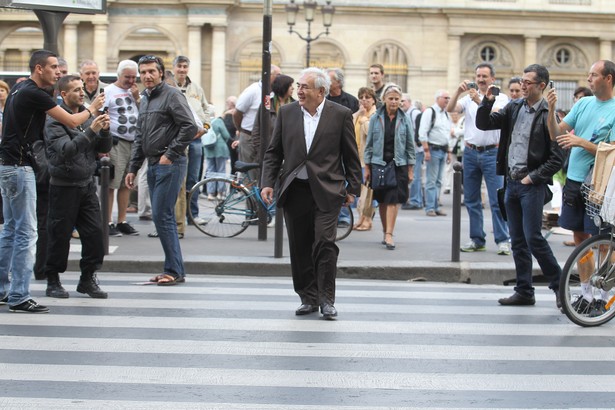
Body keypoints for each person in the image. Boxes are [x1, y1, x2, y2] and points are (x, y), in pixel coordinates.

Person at [0, 49, 103, 313]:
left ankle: (3, 289)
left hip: (9, 166)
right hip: (20, 168)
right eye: (54, 67)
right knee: (26, 233)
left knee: (11, 230)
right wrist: (92, 110)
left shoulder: (18, 89)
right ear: (38, 69)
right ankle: (19, 296)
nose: (58, 72)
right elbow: (71, 119)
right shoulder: (34, 92)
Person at [260, 68, 362, 320]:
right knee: (300, 245)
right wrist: (267, 182)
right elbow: (274, 152)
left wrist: (353, 188)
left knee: (325, 244)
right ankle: (308, 297)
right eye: (298, 86)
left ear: (321, 91)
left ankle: (327, 299)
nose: (299, 91)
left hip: (328, 189)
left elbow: (351, 155)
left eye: (305, 87)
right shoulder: (287, 113)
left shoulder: (340, 115)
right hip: (295, 190)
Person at [476, 64, 563, 307]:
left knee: (534, 237)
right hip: (511, 183)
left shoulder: (548, 113)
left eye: (527, 82)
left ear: (541, 86)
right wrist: (486, 101)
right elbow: (484, 124)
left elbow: (558, 157)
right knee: (517, 240)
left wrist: (533, 177)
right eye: (522, 81)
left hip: (530, 185)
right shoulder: (513, 107)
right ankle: (524, 290)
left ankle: (559, 285)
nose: (522, 86)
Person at [547, 59, 615, 314]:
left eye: (594, 75)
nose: (589, 79)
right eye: (589, 75)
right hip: (575, 180)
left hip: (600, 184)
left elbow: (612, 150)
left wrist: (582, 142)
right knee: (579, 237)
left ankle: (604, 296)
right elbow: (556, 133)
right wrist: (552, 110)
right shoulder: (584, 103)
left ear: (608, 78)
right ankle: (586, 293)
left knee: (605, 242)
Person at [125, 55, 197, 286]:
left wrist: (170, 155)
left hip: (169, 163)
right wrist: (133, 167)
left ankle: (175, 271)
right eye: (143, 72)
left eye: (151, 72)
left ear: (160, 73)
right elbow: (140, 135)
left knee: (162, 216)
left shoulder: (172, 94)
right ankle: (173, 268)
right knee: (160, 217)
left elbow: (189, 127)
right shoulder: (145, 98)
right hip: (154, 162)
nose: (146, 76)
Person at [43, 75, 113, 299]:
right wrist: (91, 129)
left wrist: (104, 131)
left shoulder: (86, 114)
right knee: (59, 235)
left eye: (82, 88)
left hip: (86, 184)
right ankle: (53, 279)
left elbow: (102, 148)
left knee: (95, 234)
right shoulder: (55, 119)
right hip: (64, 186)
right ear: (63, 94)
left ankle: (87, 279)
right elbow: (67, 150)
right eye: (75, 90)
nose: (81, 93)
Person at [447, 62, 511, 255]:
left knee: (496, 199)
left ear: (492, 79)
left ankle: (502, 239)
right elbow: (451, 109)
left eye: (484, 76)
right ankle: (477, 239)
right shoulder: (468, 99)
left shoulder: (501, 98)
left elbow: (495, 116)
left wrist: (478, 100)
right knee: (472, 199)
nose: (481, 80)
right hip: (471, 152)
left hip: (493, 153)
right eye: (478, 77)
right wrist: (458, 92)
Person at [364, 83, 415, 250]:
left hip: (398, 165)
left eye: (397, 99)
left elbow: (409, 145)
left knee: (393, 199)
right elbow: (369, 144)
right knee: (382, 200)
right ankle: (386, 231)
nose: (394, 102)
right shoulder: (375, 118)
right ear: (384, 99)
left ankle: (389, 234)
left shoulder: (405, 119)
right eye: (391, 98)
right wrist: (367, 167)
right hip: (379, 164)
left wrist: (410, 169)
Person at [172, 55, 212, 225]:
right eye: (179, 66)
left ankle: (192, 214)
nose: (182, 70)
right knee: (176, 179)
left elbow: (206, 109)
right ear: (174, 68)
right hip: (177, 138)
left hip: (196, 139)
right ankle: (176, 216)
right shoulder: (169, 87)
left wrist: (206, 127)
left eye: (185, 66)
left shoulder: (196, 88)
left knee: (193, 178)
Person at [104, 60, 141, 237]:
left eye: (134, 77)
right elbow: (101, 114)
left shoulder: (136, 93)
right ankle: (108, 221)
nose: (131, 80)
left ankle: (122, 220)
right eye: (127, 77)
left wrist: (137, 98)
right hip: (115, 142)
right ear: (119, 75)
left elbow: (144, 113)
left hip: (132, 143)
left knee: (127, 182)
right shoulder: (109, 91)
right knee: (112, 183)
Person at [233, 64, 281, 181]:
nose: (280, 78)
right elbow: (237, 113)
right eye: (278, 75)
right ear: (269, 75)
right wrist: (241, 130)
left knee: (262, 174)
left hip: (265, 140)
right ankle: (249, 199)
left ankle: (257, 199)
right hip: (249, 137)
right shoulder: (253, 90)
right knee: (249, 175)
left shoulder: (274, 93)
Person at [419, 89, 453, 217]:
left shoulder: (445, 114)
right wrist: (426, 151)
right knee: (431, 181)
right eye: (445, 98)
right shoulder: (430, 112)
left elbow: (447, 134)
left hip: (443, 150)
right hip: (433, 150)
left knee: (439, 181)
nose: (447, 100)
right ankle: (430, 207)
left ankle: (436, 205)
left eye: (448, 98)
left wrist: (449, 152)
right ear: (438, 98)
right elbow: (422, 133)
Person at [252, 74, 295, 162]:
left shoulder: (296, 106)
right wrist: (261, 152)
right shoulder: (267, 104)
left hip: (289, 156)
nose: (293, 88)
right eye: (290, 85)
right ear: (283, 86)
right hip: (268, 155)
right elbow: (256, 130)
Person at [352, 87, 378, 231]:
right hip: (357, 157)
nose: (364, 100)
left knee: (368, 192)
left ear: (373, 99)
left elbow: (371, 132)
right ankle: (361, 218)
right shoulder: (361, 113)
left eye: (367, 97)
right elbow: (350, 122)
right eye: (361, 97)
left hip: (369, 159)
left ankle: (368, 219)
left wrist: (363, 119)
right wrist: (359, 114)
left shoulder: (374, 114)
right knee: (362, 190)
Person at [204, 110, 231, 200]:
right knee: (221, 170)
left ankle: (210, 193)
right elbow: (226, 135)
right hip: (220, 149)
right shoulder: (218, 121)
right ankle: (220, 193)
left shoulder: (205, 122)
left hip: (208, 149)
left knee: (210, 171)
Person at [222, 96, 239, 174]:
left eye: (227, 102)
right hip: (228, 138)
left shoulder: (234, 112)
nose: (227, 104)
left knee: (234, 160)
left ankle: (234, 179)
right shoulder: (226, 112)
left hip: (233, 139)